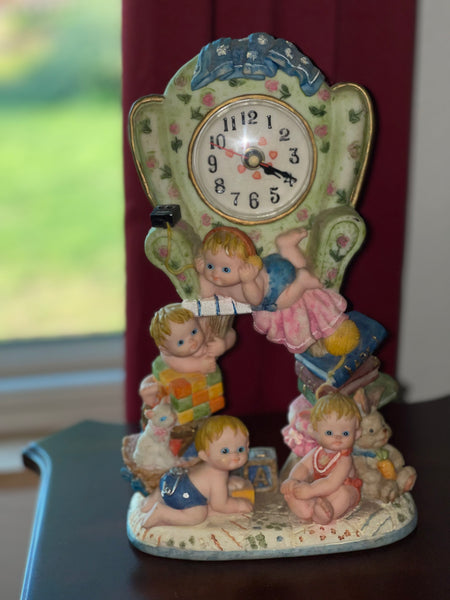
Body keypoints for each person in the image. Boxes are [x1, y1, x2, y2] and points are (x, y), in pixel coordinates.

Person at [195, 226, 355, 355]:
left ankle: (302, 283)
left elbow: (255, 300)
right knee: (293, 263)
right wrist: (202, 272)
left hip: (274, 289)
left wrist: (248, 281)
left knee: (283, 302)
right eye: (210, 266)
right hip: (274, 263)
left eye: (225, 269)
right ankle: (286, 246)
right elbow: (206, 294)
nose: (215, 274)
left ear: (246, 265)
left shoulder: (247, 280)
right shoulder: (215, 280)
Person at [140, 415, 253, 528]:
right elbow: (219, 505)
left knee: (177, 484)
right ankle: (161, 513)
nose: (235, 456)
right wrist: (239, 505)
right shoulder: (218, 477)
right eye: (225, 451)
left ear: (247, 447)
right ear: (204, 455)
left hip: (170, 479)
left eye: (240, 449)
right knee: (198, 516)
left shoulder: (207, 466)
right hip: (183, 494)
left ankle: (152, 500)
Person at [280, 392, 362, 524]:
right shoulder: (316, 452)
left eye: (345, 433)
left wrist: (311, 490)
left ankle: (326, 512)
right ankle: (306, 508)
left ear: (357, 433)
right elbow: (303, 466)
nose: (337, 437)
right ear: (314, 431)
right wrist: (293, 479)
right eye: (329, 432)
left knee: (344, 495)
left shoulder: (344, 459)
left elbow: (332, 482)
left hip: (338, 490)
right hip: (318, 492)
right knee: (298, 490)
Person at [149, 303, 236, 374]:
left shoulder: (202, 326)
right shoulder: (170, 356)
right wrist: (200, 366)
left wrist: (224, 344)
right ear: (165, 349)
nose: (192, 341)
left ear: (197, 321)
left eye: (194, 332)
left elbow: (231, 333)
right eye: (181, 342)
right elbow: (182, 365)